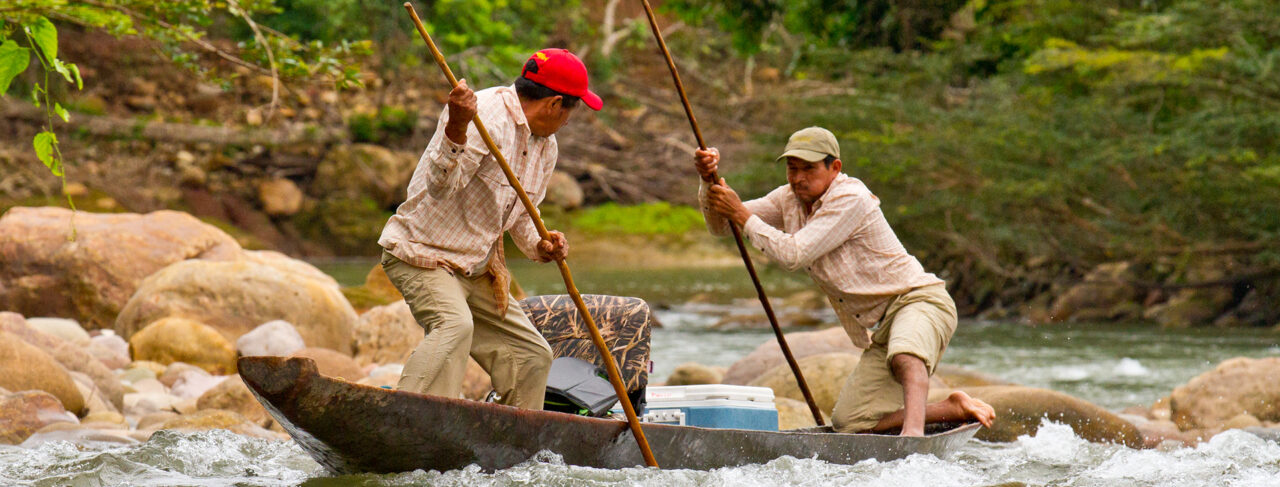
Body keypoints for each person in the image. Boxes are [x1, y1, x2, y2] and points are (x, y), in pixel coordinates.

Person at [694, 127, 995, 435]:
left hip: (921, 300)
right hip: (883, 325)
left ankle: (913, 438)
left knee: (906, 354)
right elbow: (722, 226)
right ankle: (951, 407)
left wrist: (742, 214)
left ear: (834, 168)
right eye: (792, 168)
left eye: (808, 169)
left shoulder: (851, 198)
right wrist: (708, 182)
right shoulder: (787, 198)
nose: (798, 178)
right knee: (850, 423)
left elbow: (793, 253)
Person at [378, 48, 603, 409]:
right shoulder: (484, 117)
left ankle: (514, 444)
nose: (568, 120)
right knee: (455, 327)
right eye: (572, 110)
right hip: (422, 254)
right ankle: (401, 416)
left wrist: (541, 245)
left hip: (478, 267)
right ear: (555, 104)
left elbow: (524, 213)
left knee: (532, 357)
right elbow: (440, 189)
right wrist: (456, 127)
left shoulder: (546, 145)